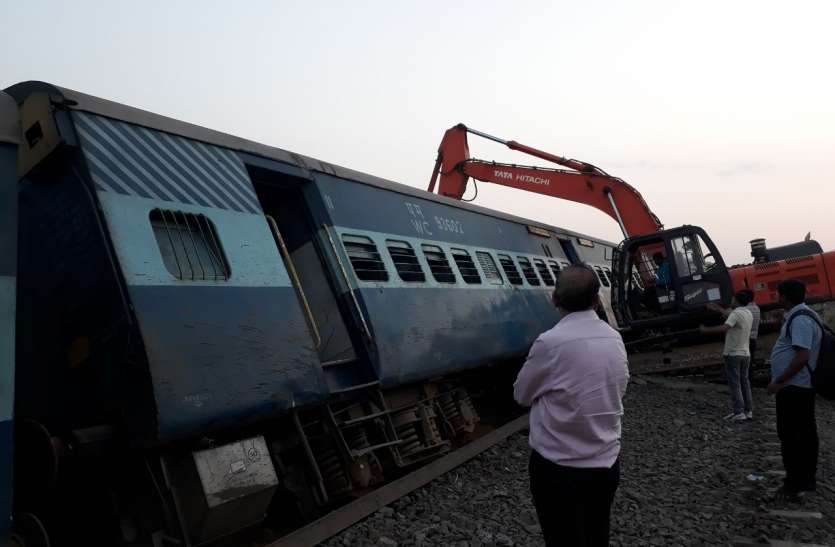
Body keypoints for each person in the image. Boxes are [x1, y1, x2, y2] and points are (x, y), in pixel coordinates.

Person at [514, 264, 629, 547]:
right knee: (596, 533)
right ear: (596, 300)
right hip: (605, 463)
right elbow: (619, 387)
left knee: (561, 537)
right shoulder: (614, 338)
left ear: (554, 299)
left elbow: (521, 395)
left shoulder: (550, 343)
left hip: (557, 468)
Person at [767, 279, 822, 499]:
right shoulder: (802, 316)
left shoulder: (800, 320)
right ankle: (800, 482)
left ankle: (797, 484)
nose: (777, 298)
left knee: (793, 436)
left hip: (795, 388)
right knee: (801, 434)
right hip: (797, 387)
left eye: (779, 294)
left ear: (785, 297)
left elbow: (802, 356)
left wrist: (779, 380)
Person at [701, 291, 754, 421]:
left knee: (735, 383)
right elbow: (728, 315)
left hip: (733, 353)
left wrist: (706, 330)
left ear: (736, 300)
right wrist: (718, 309)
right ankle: (748, 411)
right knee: (745, 383)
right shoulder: (748, 313)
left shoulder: (735, 313)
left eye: (733, 298)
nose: (731, 300)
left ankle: (738, 412)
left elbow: (726, 327)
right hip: (745, 353)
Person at [744, 289, 761, 380]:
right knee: (749, 364)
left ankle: (747, 386)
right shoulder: (756, 307)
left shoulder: (745, 310)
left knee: (745, 366)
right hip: (753, 340)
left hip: (746, 341)